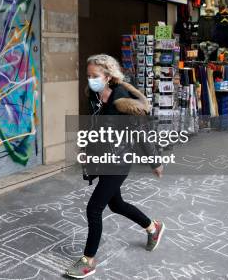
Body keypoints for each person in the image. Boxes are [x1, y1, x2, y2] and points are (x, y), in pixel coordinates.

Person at [65, 54, 165, 279]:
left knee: (94, 208)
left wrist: (154, 161)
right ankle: (153, 227)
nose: (90, 80)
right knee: (116, 204)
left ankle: (88, 261)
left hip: (119, 159)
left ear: (108, 76)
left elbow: (141, 131)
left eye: (95, 76)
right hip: (102, 157)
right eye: (88, 76)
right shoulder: (93, 95)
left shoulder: (122, 100)